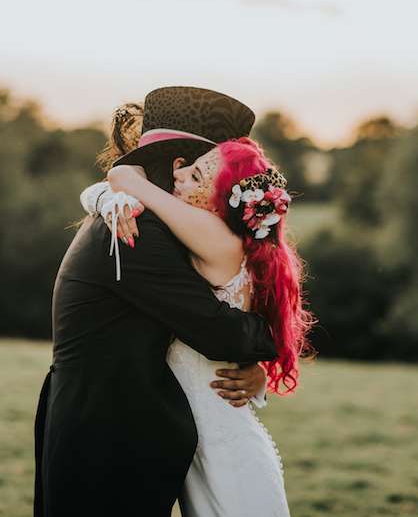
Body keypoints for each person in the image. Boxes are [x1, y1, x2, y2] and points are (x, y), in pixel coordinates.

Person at [33, 87, 279, 517]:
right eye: (213, 172)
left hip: (110, 431)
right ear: (180, 166)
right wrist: (273, 338)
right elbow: (217, 331)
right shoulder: (137, 231)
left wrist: (253, 370)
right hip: (104, 440)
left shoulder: (142, 218)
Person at [83, 130, 313, 516]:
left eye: (195, 176)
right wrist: (107, 199)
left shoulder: (214, 237)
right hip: (208, 443)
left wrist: (116, 192)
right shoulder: (224, 240)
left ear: (219, 203)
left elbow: (122, 178)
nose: (179, 174)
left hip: (225, 457)